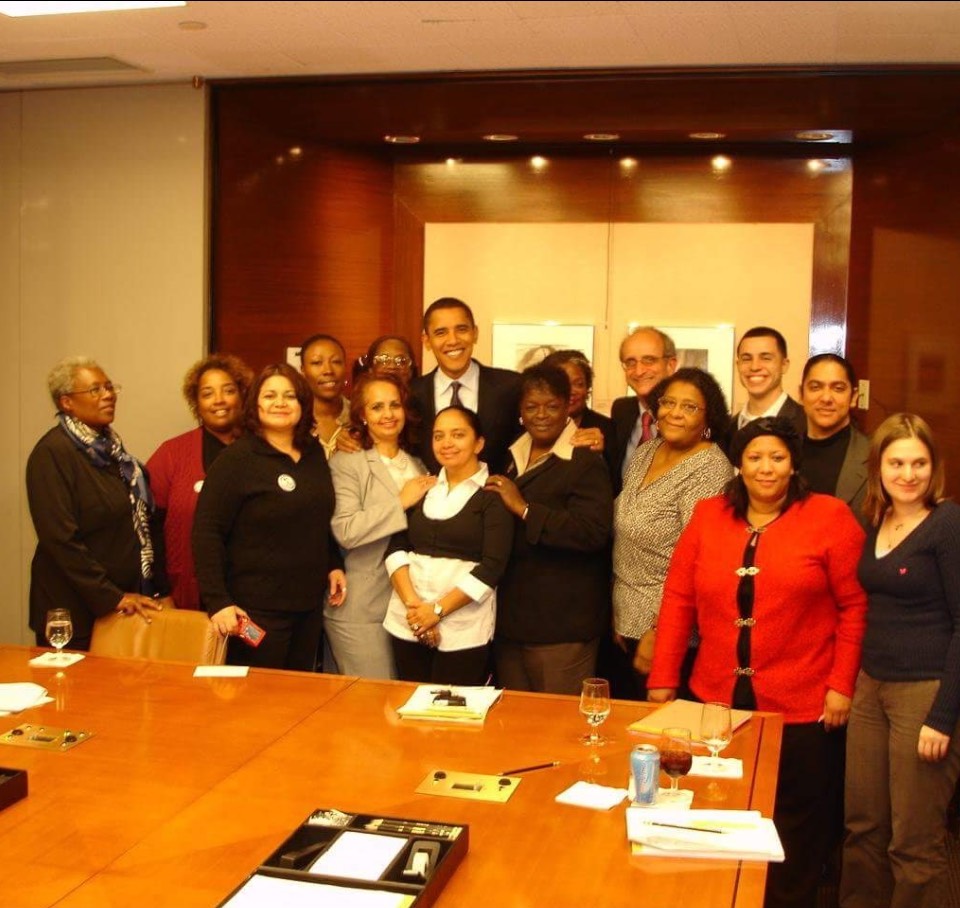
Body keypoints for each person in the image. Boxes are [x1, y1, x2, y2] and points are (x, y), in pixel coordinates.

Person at [648, 417, 867, 908]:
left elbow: (856, 606)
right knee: (716, 811)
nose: (765, 468)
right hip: (715, 702)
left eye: (777, 458)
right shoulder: (708, 515)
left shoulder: (829, 517)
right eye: (754, 457)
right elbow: (679, 596)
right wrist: (664, 677)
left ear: (793, 465)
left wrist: (842, 684)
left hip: (805, 705)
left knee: (795, 824)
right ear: (738, 463)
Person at [840, 413, 960, 908]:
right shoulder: (877, 517)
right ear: (878, 466)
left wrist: (942, 716)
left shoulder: (948, 522)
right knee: (863, 826)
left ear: (935, 467)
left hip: (925, 693)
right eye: (896, 463)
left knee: (914, 840)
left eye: (919, 463)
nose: (908, 474)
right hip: (871, 687)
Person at [193, 363, 346, 670]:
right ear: (255, 404)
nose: (280, 403)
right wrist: (218, 602)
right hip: (254, 612)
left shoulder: (313, 453)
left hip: (308, 608)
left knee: (296, 698)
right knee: (257, 703)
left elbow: (315, 517)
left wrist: (333, 564)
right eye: (270, 395)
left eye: (290, 396)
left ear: (303, 404)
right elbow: (206, 532)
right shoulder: (236, 460)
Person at [486, 364, 613, 694]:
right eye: (531, 406)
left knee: (558, 730)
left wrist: (525, 508)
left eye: (552, 406)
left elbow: (593, 532)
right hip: (512, 621)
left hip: (562, 628)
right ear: (520, 410)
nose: (541, 415)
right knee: (517, 728)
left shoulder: (585, 461)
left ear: (568, 405)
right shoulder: (512, 453)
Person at [26, 356, 165, 650]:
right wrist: (112, 596)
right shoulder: (52, 454)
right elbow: (61, 540)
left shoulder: (115, 454)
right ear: (66, 403)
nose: (108, 395)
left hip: (121, 607)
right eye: (95, 390)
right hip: (73, 612)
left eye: (109, 387)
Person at [611, 367, 733, 699]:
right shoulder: (646, 452)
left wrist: (658, 632)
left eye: (690, 407)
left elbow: (696, 564)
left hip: (669, 633)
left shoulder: (711, 470)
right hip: (624, 621)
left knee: (659, 741)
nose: (675, 413)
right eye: (668, 402)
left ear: (708, 417)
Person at [382, 406, 513, 685]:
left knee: (451, 716)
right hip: (408, 622)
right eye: (438, 436)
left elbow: (493, 568)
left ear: (479, 443)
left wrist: (437, 611)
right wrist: (416, 609)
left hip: (463, 630)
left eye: (458, 435)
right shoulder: (421, 487)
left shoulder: (493, 495)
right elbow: (395, 548)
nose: (446, 443)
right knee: (409, 708)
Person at [327, 373, 434, 679]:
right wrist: (400, 502)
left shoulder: (420, 465)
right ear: (362, 414)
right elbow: (345, 531)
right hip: (361, 607)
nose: (387, 414)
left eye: (394, 405)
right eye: (376, 407)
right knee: (371, 705)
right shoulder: (347, 464)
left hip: (411, 606)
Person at [146, 353, 253, 610]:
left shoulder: (262, 450)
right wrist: (161, 590)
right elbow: (149, 528)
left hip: (253, 592)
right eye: (207, 393)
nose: (219, 400)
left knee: (249, 649)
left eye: (228, 390)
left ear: (242, 395)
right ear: (196, 402)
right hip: (190, 594)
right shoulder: (171, 454)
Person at [409, 297, 522, 474]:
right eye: (441, 333)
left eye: (461, 329)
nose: (453, 340)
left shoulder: (512, 386)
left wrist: (581, 435)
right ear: (426, 340)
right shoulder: (411, 394)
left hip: (496, 497)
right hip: (432, 498)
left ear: (475, 333)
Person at [799, 353, 870, 525]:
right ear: (801, 394)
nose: (826, 398)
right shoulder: (782, 452)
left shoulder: (874, 457)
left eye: (838, 388)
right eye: (816, 387)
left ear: (853, 397)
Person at [610, 326, 678, 493]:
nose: (639, 371)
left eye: (649, 360)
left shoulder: (689, 417)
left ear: (670, 365)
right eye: (630, 362)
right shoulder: (621, 410)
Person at [542, 348, 617, 479]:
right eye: (562, 384)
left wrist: (599, 455)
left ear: (587, 388)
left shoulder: (606, 428)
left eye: (579, 384)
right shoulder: (533, 426)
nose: (571, 391)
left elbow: (616, 482)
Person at [731, 326, 806, 437]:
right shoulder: (726, 429)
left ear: (784, 365)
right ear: (738, 365)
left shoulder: (807, 423)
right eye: (747, 359)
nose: (754, 367)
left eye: (766, 358)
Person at [299, 333, 350, 459]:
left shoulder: (361, 417)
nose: (328, 370)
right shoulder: (292, 420)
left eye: (336, 362)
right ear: (303, 370)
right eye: (317, 363)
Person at [352, 334, 419, 386]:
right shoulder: (361, 403)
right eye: (384, 360)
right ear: (371, 370)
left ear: (410, 371)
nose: (392, 367)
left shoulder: (423, 402)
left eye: (400, 360)